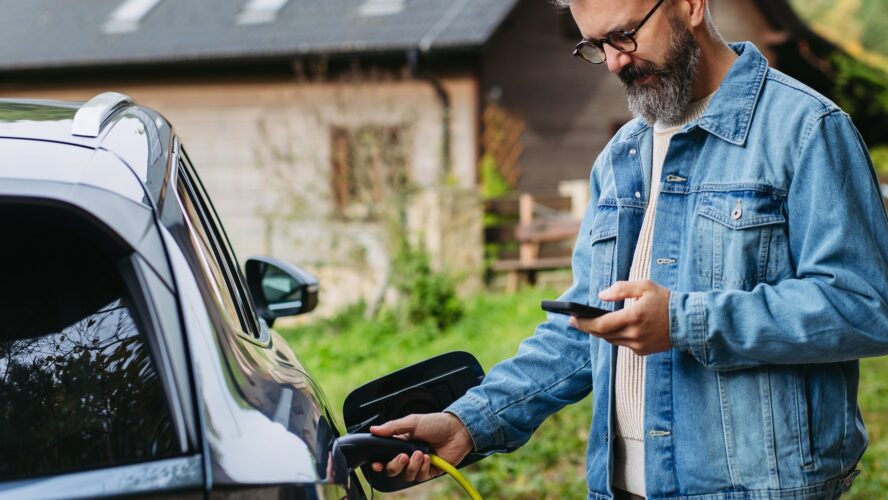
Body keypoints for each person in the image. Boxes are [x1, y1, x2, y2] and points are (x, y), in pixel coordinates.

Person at [370, 0, 888, 498]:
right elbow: (584, 332)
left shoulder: (807, 130)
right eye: (596, 45)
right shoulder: (618, 159)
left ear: (691, 4)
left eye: (624, 35)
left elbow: (865, 306)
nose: (616, 60)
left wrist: (687, 321)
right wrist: (470, 423)